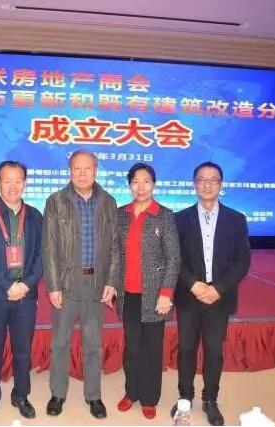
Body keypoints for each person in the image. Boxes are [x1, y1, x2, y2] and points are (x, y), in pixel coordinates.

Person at [171, 161, 251, 426]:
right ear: (194, 184)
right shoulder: (179, 219)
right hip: (189, 295)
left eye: (212, 180)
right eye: (201, 180)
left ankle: (210, 400)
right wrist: (193, 285)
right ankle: (185, 397)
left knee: (214, 351)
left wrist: (218, 289)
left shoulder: (236, 219)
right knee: (186, 350)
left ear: (220, 185)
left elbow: (242, 261)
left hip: (219, 297)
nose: (207, 185)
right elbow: (175, 258)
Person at [42, 149, 119, 419]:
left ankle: (94, 396)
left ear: (96, 170)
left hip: (96, 285)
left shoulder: (108, 202)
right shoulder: (56, 201)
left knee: (93, 343)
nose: (82, 173)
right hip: (66, 284)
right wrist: (53, 285)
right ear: (70, 171)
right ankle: (58, 394)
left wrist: (112, 280)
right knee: (60, 342)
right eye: (77, 168)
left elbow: (115, 247)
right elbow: (49, 247)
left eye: (87, 168)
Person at [0, 161, 43, 423]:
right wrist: (7, 286)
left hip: (25, 295)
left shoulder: (35, 215)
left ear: (25, 183)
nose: (13, 185)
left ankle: (21, 396)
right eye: (7, 180)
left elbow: (42, 255)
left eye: (18, 180)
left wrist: (26, 285)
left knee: (22, 350)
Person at [115, 163, 181, 420]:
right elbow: (115, 254)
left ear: (154, 184)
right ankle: (131, 392)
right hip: (128, 294)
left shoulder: (164, 216)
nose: (140, 187)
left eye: (146, 181)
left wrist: (166, 293)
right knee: (132, 347)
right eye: (135, 181)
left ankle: (149, 397)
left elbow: (174, 258)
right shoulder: (121, 214)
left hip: (155, 295)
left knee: (152, 349)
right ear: (129, 185)